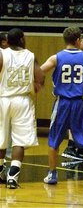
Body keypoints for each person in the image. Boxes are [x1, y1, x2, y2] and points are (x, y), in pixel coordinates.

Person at [40, 26, 83, 188]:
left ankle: (52, 174)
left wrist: (38, 84)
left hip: (62, 102)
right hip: (80, 102)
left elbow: (39, 71)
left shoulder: (56, 58)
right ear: (77, 40)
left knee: (54, 139)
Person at [0, 28, 45, 189]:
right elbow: (40, 78)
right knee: (19, 141)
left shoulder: (2, 54)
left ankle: (0, 170)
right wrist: (37, 84)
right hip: (22, 100)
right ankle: (13, 176)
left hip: (3, 98)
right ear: (21, 39)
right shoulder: (30, 56)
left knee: (1, 138)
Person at [61, 34, 83, 161]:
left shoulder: (70, 58)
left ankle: (79, 147)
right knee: (77, 123)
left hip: (69, 96)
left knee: (76, 123)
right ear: (77, 42)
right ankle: (71, 147)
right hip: (74, 97)